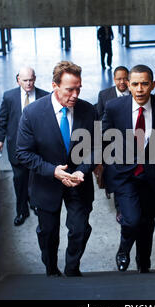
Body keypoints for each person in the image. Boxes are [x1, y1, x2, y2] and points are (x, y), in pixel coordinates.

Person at [16, 61, 97, 277]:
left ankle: (72, 269)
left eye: (79, 88)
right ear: (55, 85)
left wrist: (82, 169)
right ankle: (51, 270)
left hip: (79, 182)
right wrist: (53, 171)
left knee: (80, 230)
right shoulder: (32, 113)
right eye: (70, 89)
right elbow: (23, 153)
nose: (75, 94)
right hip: (47, 184)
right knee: (48, 233)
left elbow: (99, 146)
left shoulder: (88, 110)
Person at [102, 64, 155, 273]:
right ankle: (123, 249)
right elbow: (104, 139)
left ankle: (144, 263)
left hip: (151, 177)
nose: (140, 89)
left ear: (152, 85)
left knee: (147, 222)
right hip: (125, 176)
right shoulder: (114, 107)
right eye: (135, 84)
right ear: (128, 85)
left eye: (145, 84)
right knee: (132, 220)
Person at [0, 67, 49, 226]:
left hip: (38, 148)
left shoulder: (44, 96)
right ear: (18, 80)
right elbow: (2, 120)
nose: (29, 83)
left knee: (37, 179)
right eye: (25, 80)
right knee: (19, 180)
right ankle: (21, 210)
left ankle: (35, 204)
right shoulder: (9, 97)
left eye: (31, 79)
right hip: (17, 147)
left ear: (35, 78)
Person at [95, 66, 130, 223]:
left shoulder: (136, 93)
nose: (122, 82)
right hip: (110, 142)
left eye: (125, 78)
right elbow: (98, 121)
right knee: (115, 175)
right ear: (114, 79)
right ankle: (119, 208)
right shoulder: (104, 95)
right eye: (118, 79)